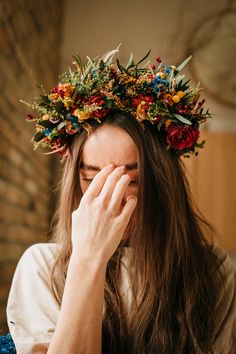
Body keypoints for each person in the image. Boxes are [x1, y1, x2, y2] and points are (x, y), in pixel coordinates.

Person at [6, 49, 236, 354]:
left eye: (135, 180)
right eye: (92, 179)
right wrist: (88, 259)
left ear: (165, 186)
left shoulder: (213, 270)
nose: (111, 199)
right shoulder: (41, 267)